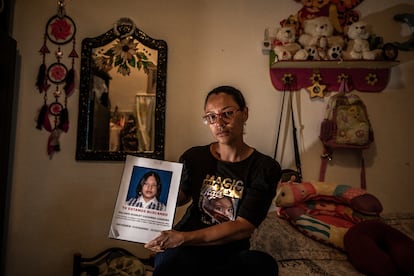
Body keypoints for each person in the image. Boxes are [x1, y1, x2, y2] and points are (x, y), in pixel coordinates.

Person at [144, 85, 281, 275]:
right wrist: (154, 187)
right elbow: (181, 197)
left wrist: (183, 237)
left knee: (264, 265)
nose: (219, 122)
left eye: (227, 114)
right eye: (211, 116)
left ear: (245, 114)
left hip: (228, 249)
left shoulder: (265, 168)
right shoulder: (194, 157)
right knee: (169, 264)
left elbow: (243, 227)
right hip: (185, 248)